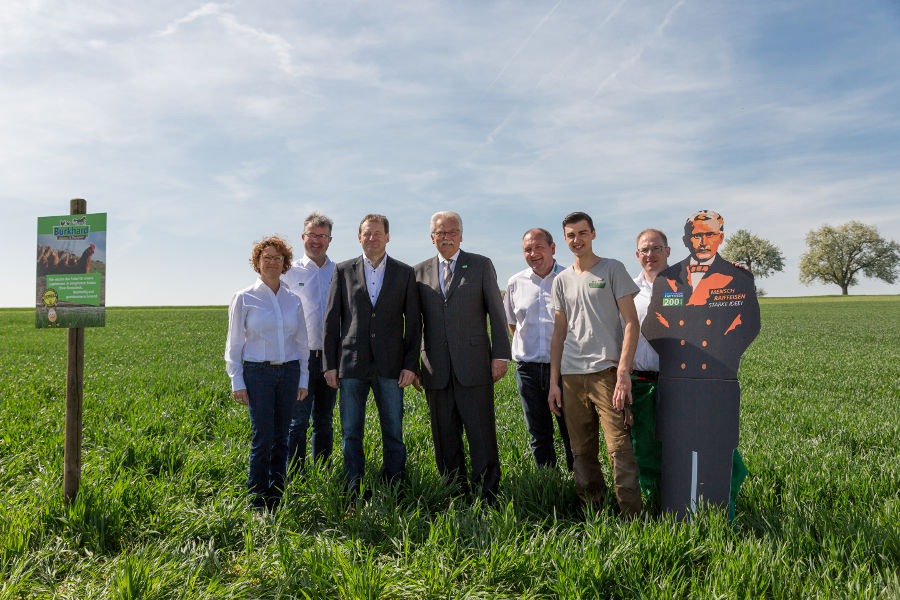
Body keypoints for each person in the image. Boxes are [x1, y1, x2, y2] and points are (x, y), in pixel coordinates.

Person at [642, 210, 760, 520]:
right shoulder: (668, 279)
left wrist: (718, 353)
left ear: (721, 238)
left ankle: (718, 521)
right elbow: (654, 326)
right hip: (676, 383)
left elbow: (747, 325)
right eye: (696, 235)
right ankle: (678, 520)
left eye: (710, 234)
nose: (703, 240)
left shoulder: (738, 277)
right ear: (686, 240)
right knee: (677, 456)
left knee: (717, 454)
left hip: (718, 381)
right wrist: (680, 353)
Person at [548, 211, 642, 517]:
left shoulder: (612, 269)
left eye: (582, 233)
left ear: (593, 234)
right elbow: (558, 334)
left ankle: (632, 516)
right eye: (571, 235)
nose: (577, 240)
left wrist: (623, 373)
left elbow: (631, 323)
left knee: (619, 449)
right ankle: (594, 514)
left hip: (606, 373)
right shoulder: (561, 280)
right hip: (571, 376)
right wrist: (554, 382)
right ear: (564, 239)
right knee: (581, 451)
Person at [413, 211, 511, 502]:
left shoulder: (480, 265)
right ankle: (453, 492)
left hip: (474, 365)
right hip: (435, 368)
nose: (447, 237)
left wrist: (501, 355)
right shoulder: (418, 272)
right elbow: (415, 323)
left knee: (480, 432)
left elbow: (496, 311)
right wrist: (414, 364)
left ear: (461, 235)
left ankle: (488, 494)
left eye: (452, 231)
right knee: (444, 436)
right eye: (440, 233)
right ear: (432, 237)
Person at [323, 214, 420, 498]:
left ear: (387, 237)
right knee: (351, 432)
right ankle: (354, 486)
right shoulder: (343, 270)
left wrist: (410, 365)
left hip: (391, 366)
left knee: (393, 431)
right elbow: (331, 322)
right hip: (351, 365)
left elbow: (413, 324)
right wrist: (330, 365)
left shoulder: (405, 273)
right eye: (367, 233)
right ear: (359, 237)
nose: (372, 238)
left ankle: (395, 488)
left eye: (378, 233)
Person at [225, 235, 309, 511]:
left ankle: (277, 494)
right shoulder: (244, 297)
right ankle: (257, 497)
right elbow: (234, 343)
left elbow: (301, 342)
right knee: (262, 436)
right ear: (257, 262)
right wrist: (237, 380)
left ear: (285, 263)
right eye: (267, 258)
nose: (272, 262)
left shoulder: (292, 299)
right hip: (257, 373)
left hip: (289, 373)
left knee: (282, 436)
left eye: (278, 258)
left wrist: (303, 378)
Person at [504, 228, 574, 470]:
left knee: (572, 433)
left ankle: (580, 486)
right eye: (527, 249)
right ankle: (549, 483)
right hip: (528, 369)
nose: (533, 253)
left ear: (553, 249)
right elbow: (513, 323)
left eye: (538, 247)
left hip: (567, 368)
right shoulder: (515, 282)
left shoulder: (570, 278)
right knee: (539, 434)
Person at [282, 213, 338, 470]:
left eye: (322, 236)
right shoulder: (289, 272)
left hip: (330, 358)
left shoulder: (340, 272)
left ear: (329, 240)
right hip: (300, 358)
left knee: (324, 419)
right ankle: (296, 474)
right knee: (298, 420)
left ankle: (324, 471)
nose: (316, 241)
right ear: (303, 237)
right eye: (312, 235)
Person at [626, 229, 671, 499]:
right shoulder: (629, 292)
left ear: (667, 251)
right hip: (641, 382)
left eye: (656, 248)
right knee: (644, 446)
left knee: (680, 444)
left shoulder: (685, 287)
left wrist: (737, 271)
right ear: (637, 255)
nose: (650, 255)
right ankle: (652, 501)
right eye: (645, 250)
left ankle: (685, 499)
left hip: (677, 382)